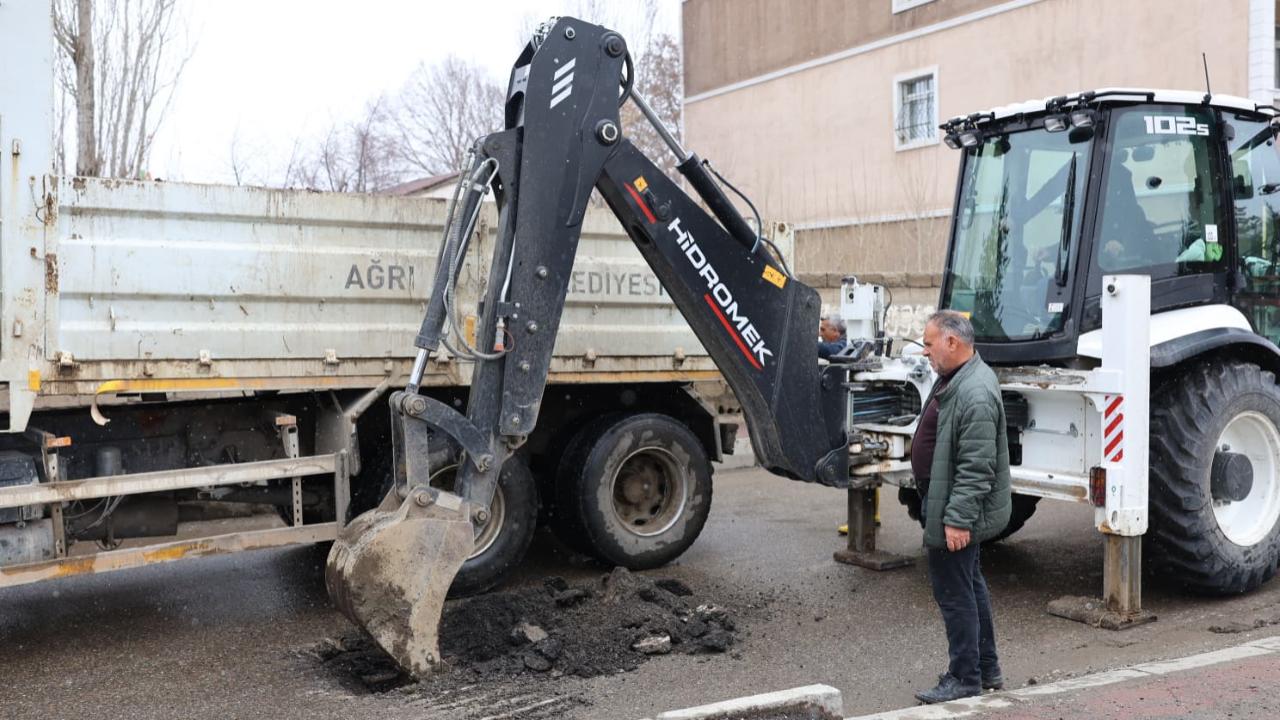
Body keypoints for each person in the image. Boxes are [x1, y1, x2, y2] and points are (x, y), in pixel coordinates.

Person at [911, 310, 1012, 704]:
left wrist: (956, 519)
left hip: (953, 509)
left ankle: (964, 676)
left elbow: (976, 467)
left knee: (955, 593)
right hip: (945, 501)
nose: (925, 351)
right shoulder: (958, 377)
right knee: (969, 585)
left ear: (952, 342)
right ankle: (986, 669)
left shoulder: (975, 392)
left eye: (929, 342)